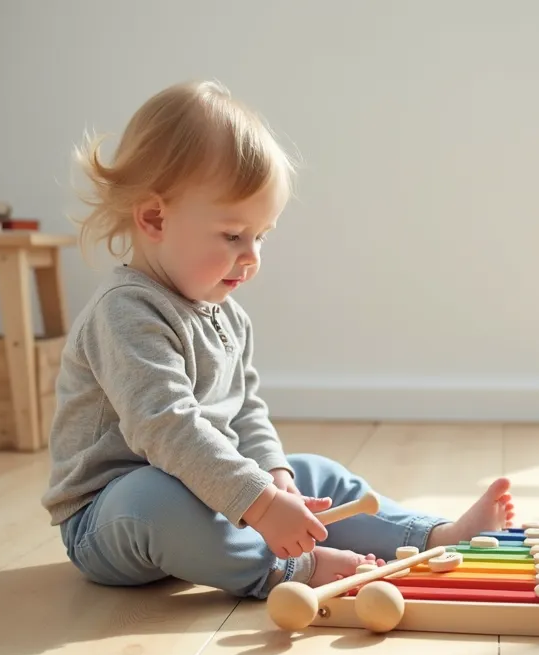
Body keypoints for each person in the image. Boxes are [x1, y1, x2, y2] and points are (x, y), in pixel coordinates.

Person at [39, 80, 514, 599]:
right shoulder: (124, 312)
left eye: (260, 236)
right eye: (232, 236)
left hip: (209, 491)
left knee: (316, 475)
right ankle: (292, 570)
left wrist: (274, 476)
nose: (252, 257)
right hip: (113, 519)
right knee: (159, 499)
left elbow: (245, 410)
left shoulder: (226, 313)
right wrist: (260, 505)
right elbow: (166, 426)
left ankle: (432, 536)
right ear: (154, 218)